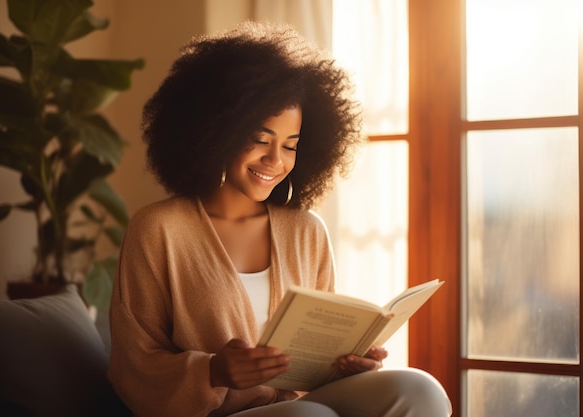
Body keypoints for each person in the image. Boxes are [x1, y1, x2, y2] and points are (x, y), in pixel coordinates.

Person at [108, 21, 452, 417]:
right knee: (308, 416)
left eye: (290, 146)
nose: (275, 161)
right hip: (215, 413)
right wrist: (213, 370)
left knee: (418, 389)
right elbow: (133, 368)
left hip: (298, 406)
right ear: (214, 132)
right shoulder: (158, 230)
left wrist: (349, 366)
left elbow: (314, 365)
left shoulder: (307, 230)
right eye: (259, 140)